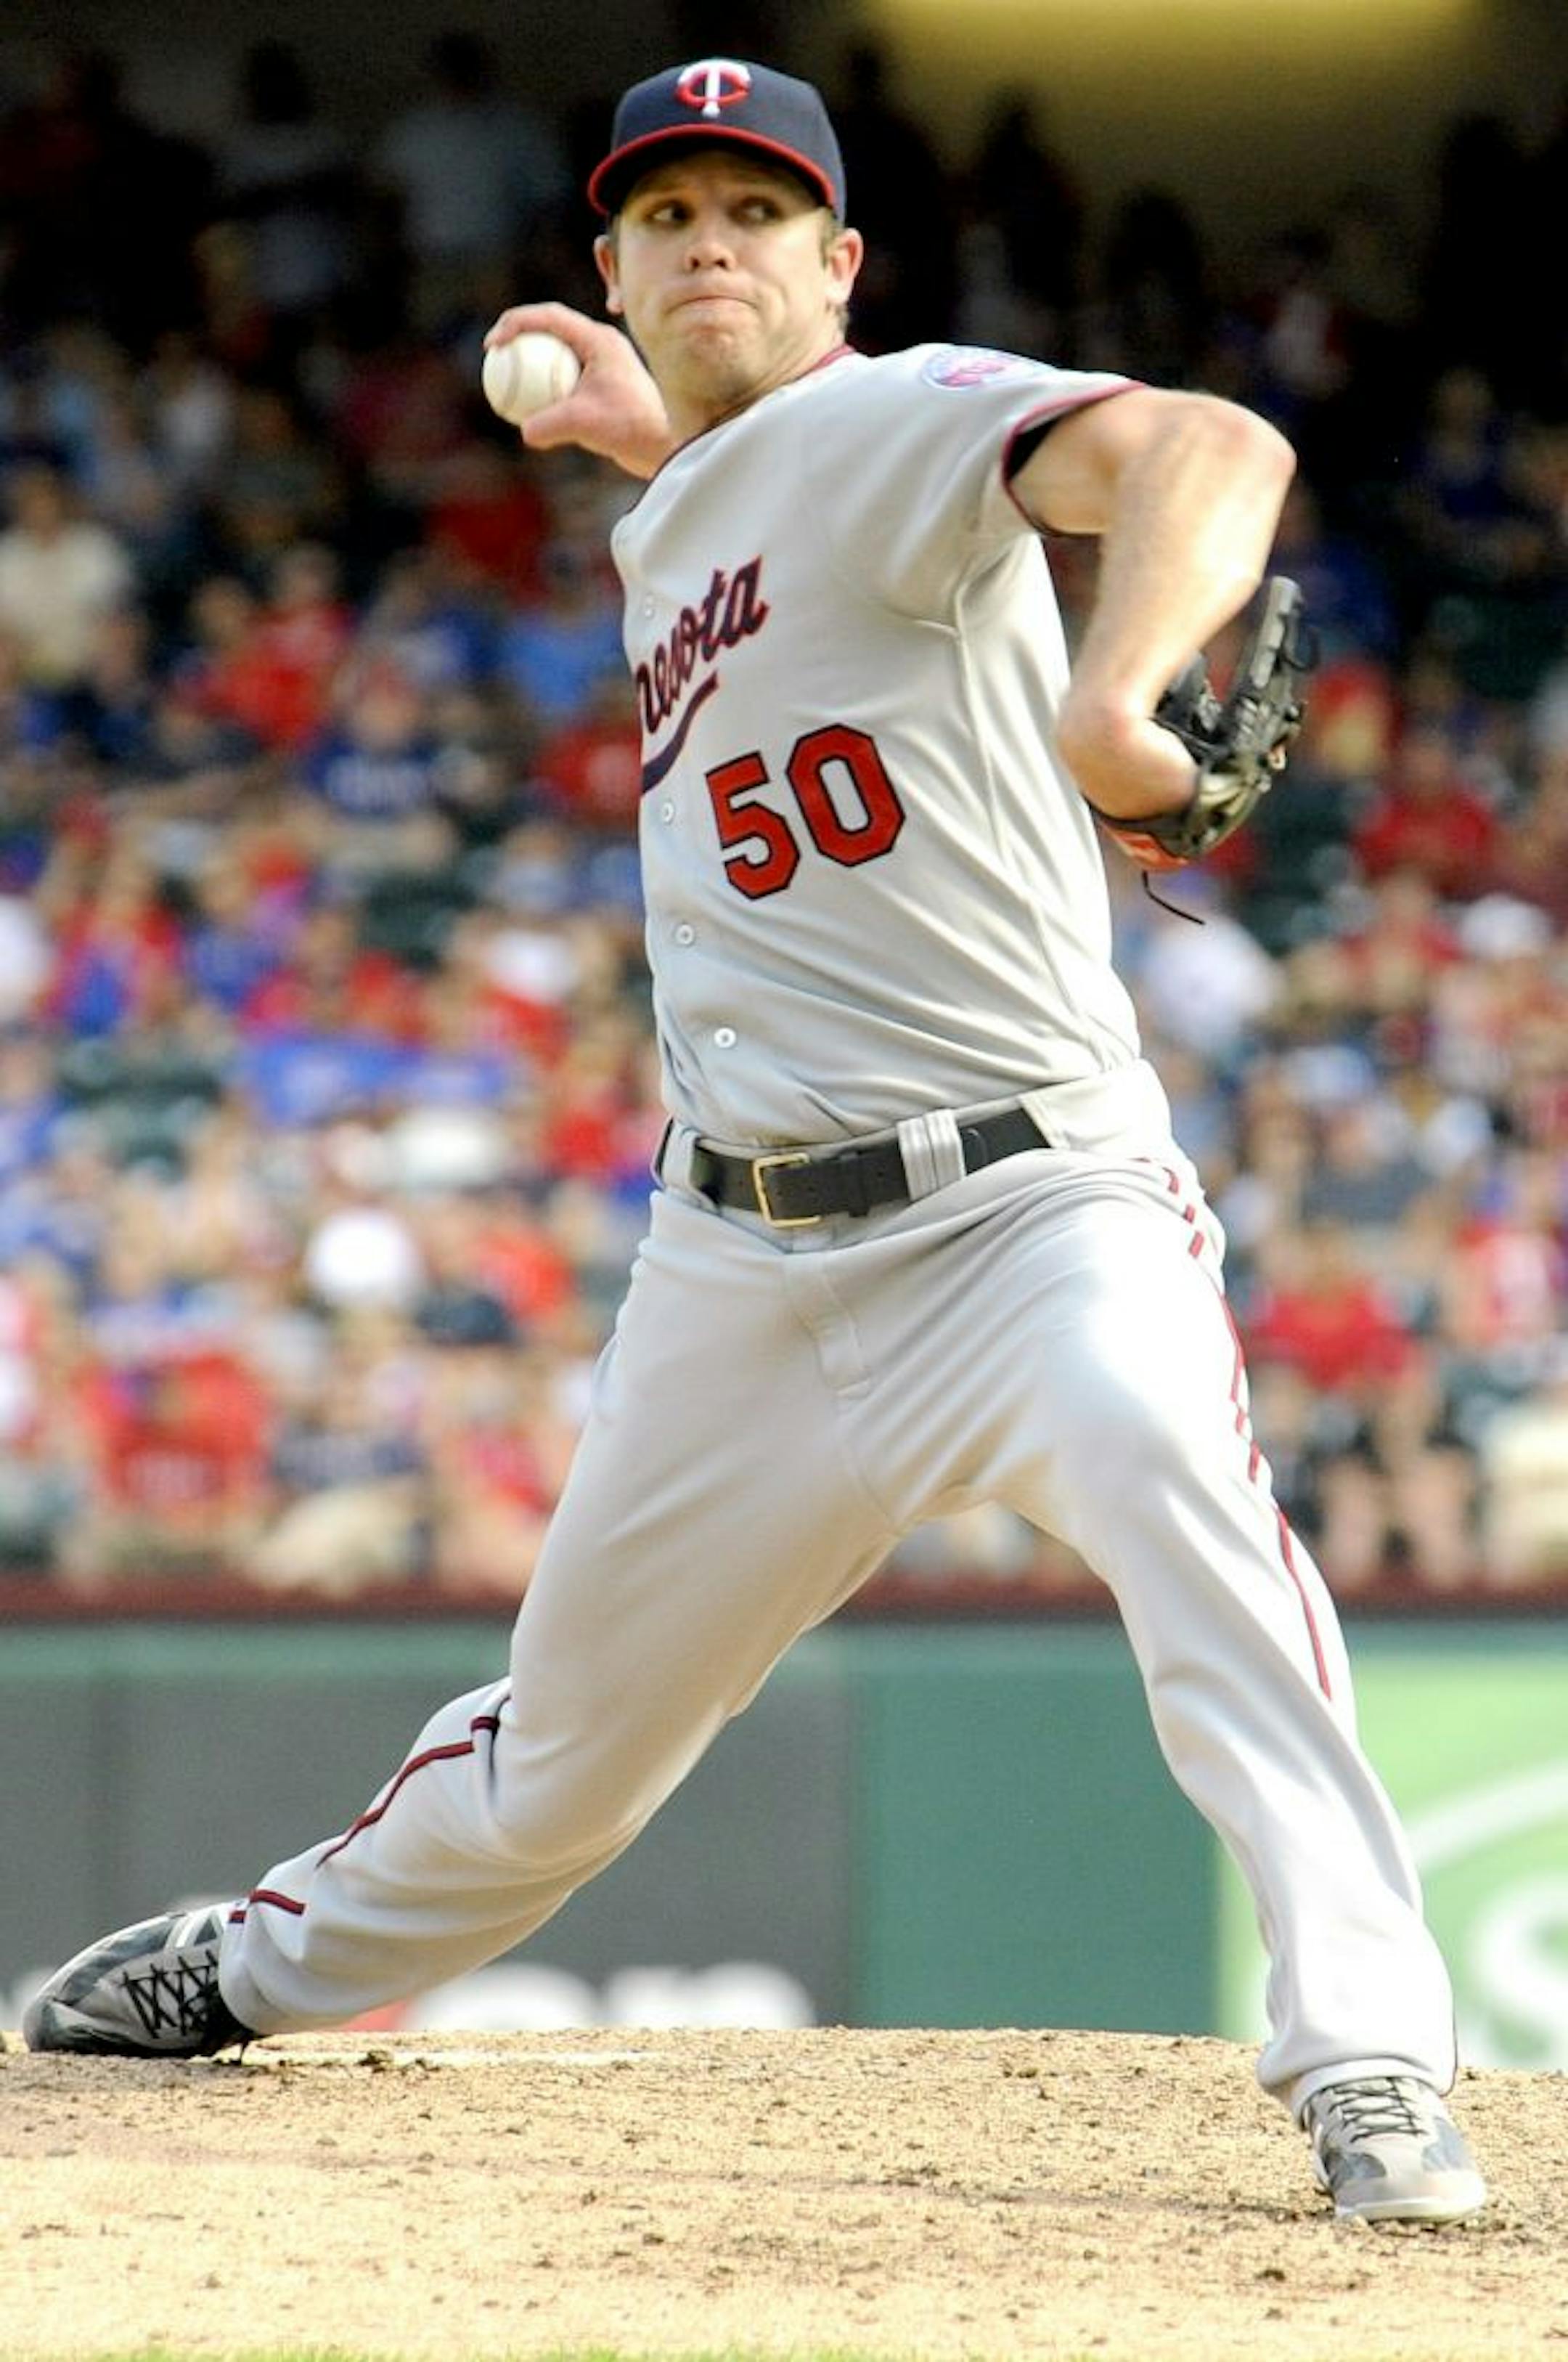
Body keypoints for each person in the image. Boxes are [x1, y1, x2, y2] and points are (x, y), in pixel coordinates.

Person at [25, 58, 1486, 2228]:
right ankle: (249, 1968)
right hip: (742, 1263)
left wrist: (1115, 698)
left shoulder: (893, 415)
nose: (712, 235)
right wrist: (635, 420)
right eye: (664, 210)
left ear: (840, 267)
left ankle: (1374, 2063)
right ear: (612, 264)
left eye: (757, 207)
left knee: (1201, 1538)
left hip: (1031, 1215)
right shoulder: (707, 484)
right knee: (558, 1770)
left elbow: (1210, 443)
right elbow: (763, 502)